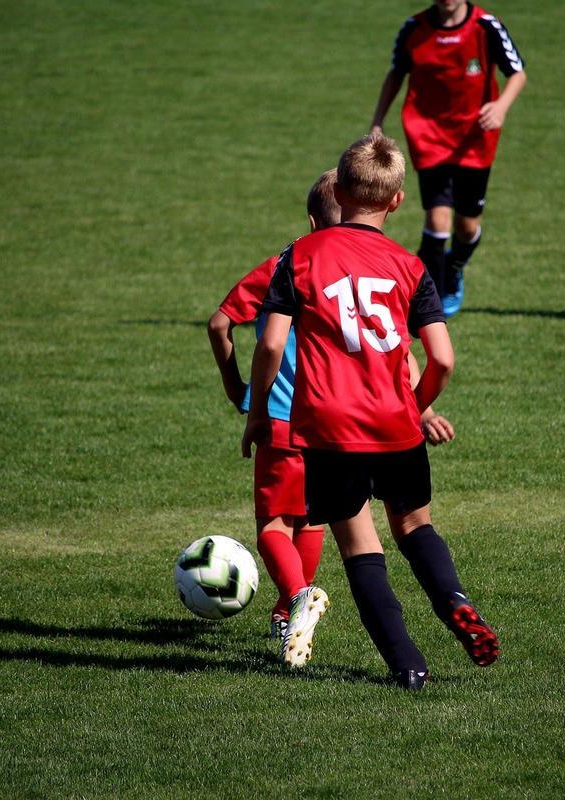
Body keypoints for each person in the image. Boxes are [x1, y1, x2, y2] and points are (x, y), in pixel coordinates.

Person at [242, 135, 498, 691]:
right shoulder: (409, 266)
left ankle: (408, 665)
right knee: (415, 526)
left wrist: (258, 412)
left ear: (338, 186)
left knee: (360, 544)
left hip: (330, 429)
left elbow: (268, 346)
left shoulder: (299, 257)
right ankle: (455, 600)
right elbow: (443, 359)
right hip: (396, 422)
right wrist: (415, 407)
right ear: (398, 200)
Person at [207, 169, 455, 665]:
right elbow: (401, 350)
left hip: (286, 415)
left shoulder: (290, 262)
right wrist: (419, 407)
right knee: (314, 520)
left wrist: (240, 391)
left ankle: (298, 598)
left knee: (274, 523)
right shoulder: (381, 267)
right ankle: (287, 610)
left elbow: (224, 323)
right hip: (353, 424)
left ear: (311, 217)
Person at [369, 0, 526, 317]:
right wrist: (377, 121)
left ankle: (454, 267)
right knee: (437, 219)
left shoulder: (486, 27)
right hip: (428, 137)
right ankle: (428, 300)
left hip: (474, 141)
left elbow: (517, 72)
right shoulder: (414, 29)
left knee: (467, 228)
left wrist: (501, 107)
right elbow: (396, 73)